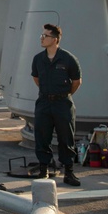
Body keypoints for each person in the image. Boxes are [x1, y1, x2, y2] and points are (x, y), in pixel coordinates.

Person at [30, 23, 82, 186]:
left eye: (45, 36)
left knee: (66, 137)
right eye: (42, 35)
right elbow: (36, 78)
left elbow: (76, 81)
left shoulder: (68, 58)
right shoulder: (38, 59)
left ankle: (69, 172)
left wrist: (63, 94)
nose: (42, 38)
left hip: (63, 102)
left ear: (55, 39)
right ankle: (44, 169)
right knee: (42, 136)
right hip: (44, 102)